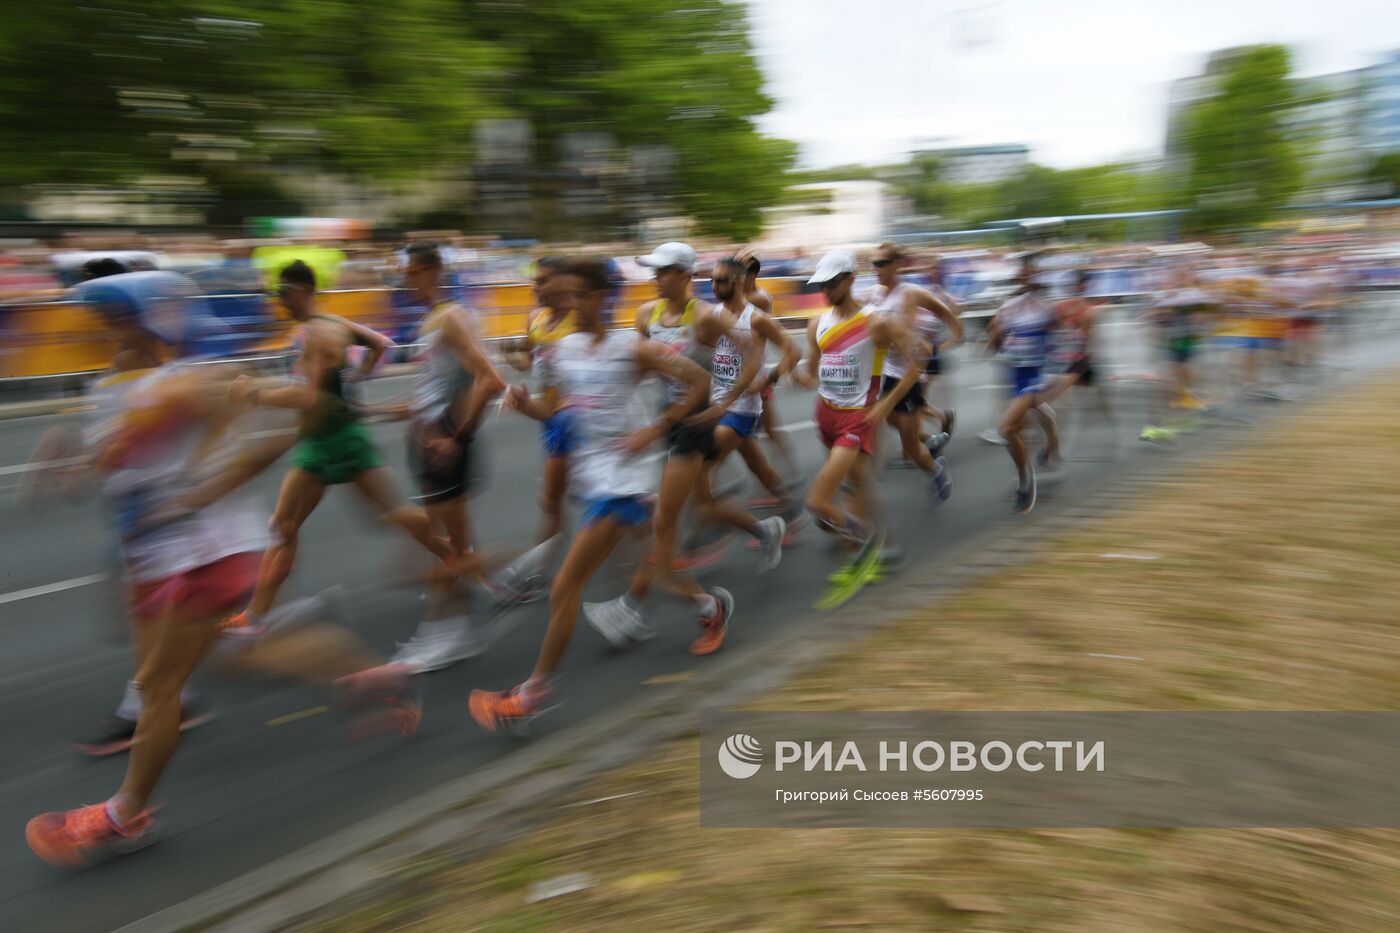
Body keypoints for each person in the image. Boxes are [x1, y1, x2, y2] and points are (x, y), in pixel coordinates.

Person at [26, 273, 417, 867]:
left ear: (151, 322)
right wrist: (68, 463)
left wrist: (202, 492)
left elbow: (291, 421)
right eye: (99, 322)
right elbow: (118, 468)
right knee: (237, 661)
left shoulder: (194, 382)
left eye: (113, 321)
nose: (98, 332)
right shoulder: (117, 385)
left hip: (204, 551)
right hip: (160, 555)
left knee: (160, 688)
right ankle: (373, 677)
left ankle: (123, 815)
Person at [468, 257, 710, 732]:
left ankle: (532, 693)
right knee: (657, 569)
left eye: (580, 295)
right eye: (566, 296)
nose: (571, 305)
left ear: (604, 297)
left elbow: (698, 382)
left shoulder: (633, 348)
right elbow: (554, 414)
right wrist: (524, 404)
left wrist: (656, 428)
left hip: (623, 483)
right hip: (593, 478)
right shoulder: (565, 351)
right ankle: (710, 606)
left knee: (564, 587)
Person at [220, 261, 462, 653]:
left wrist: (255, 393)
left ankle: (457, 556)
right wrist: (354, 381)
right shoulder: (332, 323)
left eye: (282, 295)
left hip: (332, 442)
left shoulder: (318, 334)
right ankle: (257, 616)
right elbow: (380, 344)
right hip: (327, 438)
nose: (278, 304)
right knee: (288, 523)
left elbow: (309, 397)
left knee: (377, 516)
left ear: (300, 291)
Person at [582, 255, 802, 649]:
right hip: (684, 419)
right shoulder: (654, 314)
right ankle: (764, 528)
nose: (717, 286)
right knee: (701, 504)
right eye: (713, 280)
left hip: (720, 416)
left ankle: (650, 604)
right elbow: (645, 364)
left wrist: (750, 387)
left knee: (667, 519)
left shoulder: (734, 316)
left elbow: (761, 352)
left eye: (723, 280)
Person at [385, 242, 507, 670]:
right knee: (446, 546)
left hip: (446, 447)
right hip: (428, 444)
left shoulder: (452, 317)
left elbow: (490, 379)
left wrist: (457, 435)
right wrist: (387, 411)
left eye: (411, 272)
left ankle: (443, 635)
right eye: (404, 273)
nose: (405, 281)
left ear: (433, 270)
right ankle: (457, 626)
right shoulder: (432, 319)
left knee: (449, 551)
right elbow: (436, 387)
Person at [792, 250, 923, 558]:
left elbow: (917, 362)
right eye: (820, 285)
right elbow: (813, 376)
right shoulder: (816, 325)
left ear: (850, 280)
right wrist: (793, 376)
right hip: (825, 415)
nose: (824, 291)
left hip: (856, 419)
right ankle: (884, 544)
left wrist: (884, 405)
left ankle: (867, 538)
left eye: (831, 284)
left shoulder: (877, 323)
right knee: (859, 482)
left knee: (818, 503)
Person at [867, 243, 956, 500]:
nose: (876, 268)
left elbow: (944, 310)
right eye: (874, 263)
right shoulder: (875, 294)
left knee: (911, 450)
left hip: (907, 375)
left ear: (897, 265)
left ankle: (936, 468)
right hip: (883, 371)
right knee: (886, 420)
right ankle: (930, 438)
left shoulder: (910, 293)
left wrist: (949, 339)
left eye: (882, 263)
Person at [984, 262, 1062, 514]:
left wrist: (1055, 365)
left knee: (1007, 429)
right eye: (1023, 274)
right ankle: (1052, 443)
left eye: (1032, 274)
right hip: (1015, 373)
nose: (1027, 278)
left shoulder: (1047, 308)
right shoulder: (1008, 307)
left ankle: (1025, 479)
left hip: (1035, 375)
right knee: (1030, 416)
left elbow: (1059, 332)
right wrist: (994, 338)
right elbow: (995, 340)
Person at [734, 246, 800, 485]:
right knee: (764, 432)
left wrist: (784, 368)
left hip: (755, 377)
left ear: (750, 277)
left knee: (762, 432)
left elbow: (775, 336)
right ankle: (783, 477)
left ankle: (782, 480)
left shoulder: (757, 298)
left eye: (737, 272)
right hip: (741, 374)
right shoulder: (748, 296)